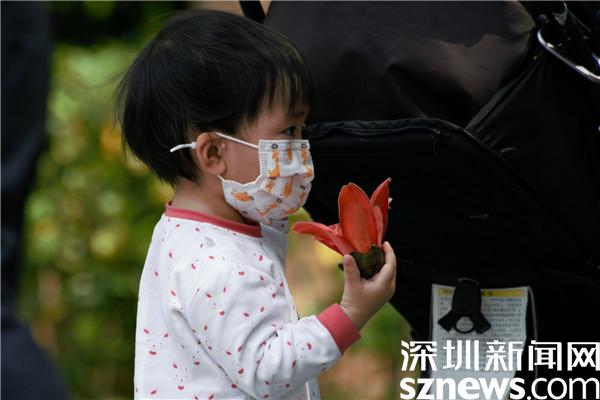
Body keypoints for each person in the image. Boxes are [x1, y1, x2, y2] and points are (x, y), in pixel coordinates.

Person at [115, 10, 397, 399]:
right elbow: (267, 369)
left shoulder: (190, 231)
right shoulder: (215, 264)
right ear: (214, 153)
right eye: (288, 131)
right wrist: (352, 312)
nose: (302, 147)